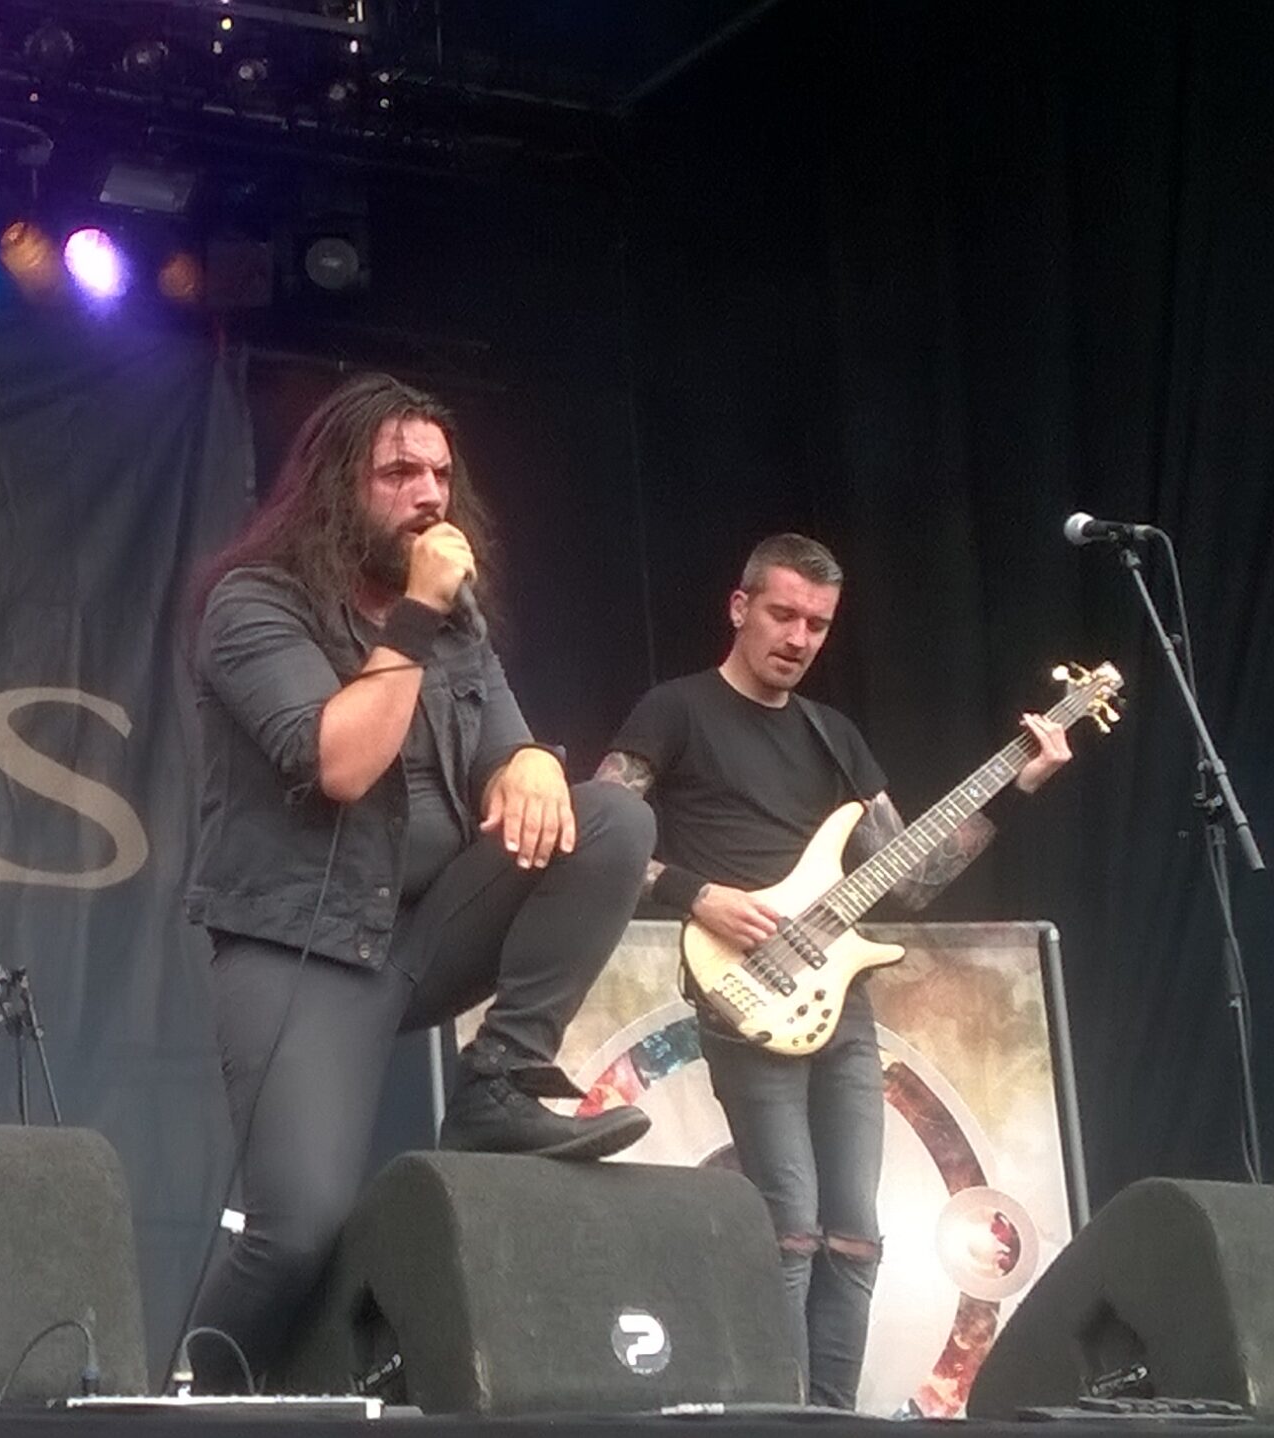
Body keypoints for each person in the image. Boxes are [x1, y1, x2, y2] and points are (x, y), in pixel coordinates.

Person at [184, 373, 656, 1391]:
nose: (429, 495)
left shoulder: (456, 629)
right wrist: (414, 614)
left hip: (427, 934)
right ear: (336, 487)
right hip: (301, 953)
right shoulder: (253, 603)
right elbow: (341, 763)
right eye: (399, 472)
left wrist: (530, 762)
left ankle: (500, 1079)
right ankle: (196, 1399)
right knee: (297, 1231)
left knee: (613, 817)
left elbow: (504, 754)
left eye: (440, 473)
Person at [596, 533, 1072, 1409]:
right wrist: (699, 894)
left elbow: (911, 879)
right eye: (783, 614)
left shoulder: (832, 735)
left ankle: (832, 1416)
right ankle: (779, 1416)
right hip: (741, 987)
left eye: (817, 624)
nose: (799, 637)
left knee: (855, 1233)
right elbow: (599, 833)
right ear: (739, 607)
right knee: (790, 1223)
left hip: (838, 997)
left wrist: (1018, 786)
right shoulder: (675, 711)